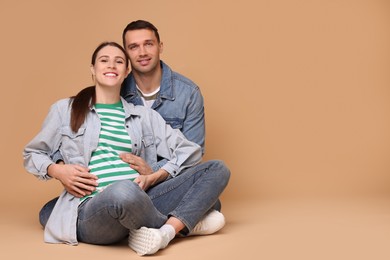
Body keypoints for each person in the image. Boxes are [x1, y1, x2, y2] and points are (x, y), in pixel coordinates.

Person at [23, 41, 230, 256]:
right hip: (93, 206)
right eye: (104, 61)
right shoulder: (64, 109)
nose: (111, 65)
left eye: (119, 61)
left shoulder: (144, 116)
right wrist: (58, 170)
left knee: (217, 168)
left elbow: (191, 150)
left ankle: (166, 232)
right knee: (123, 190)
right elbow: (32, 153)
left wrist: (155, 175)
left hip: (144, 198)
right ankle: (183, 223)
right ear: (93, 69)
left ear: (126, 71)